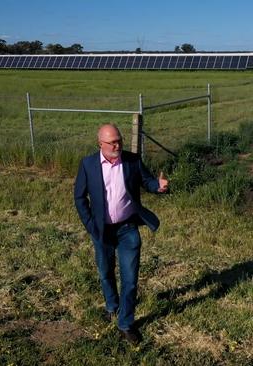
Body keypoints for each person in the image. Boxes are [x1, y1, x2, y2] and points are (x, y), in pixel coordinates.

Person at [74, 124, 168, 345]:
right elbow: (79, 197)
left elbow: (147, 181)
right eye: (112, 142)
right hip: (102, 231)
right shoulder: (88, 164)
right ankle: (111, 306)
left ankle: (125, 323)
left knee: (130, 279)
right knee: (105, 271)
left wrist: (158, 186)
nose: (117, 145)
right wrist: (90, 225)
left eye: (120, 140)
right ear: (100, 144)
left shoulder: (132, 160)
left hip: (128, 229)